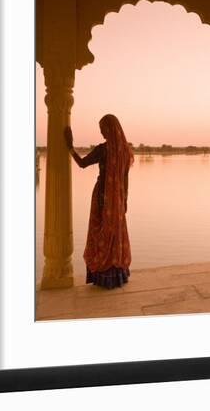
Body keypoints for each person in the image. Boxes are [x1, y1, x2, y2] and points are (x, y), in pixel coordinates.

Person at [64, 114, 133, 289]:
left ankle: (103, 276)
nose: (101, 132)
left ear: (110, 129)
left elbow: (82, 163)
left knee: (100, 233)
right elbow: (125, 180)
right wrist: (124, 201)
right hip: (117, 200)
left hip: (103, 198)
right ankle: (117, 276)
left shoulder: (103, 150)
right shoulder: (125, 150)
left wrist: (70, 147)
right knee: (113, 235)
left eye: (103, 129)